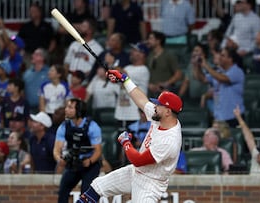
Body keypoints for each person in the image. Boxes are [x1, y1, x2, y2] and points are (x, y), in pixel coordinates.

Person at [76, 69, 183, 202]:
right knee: (97, 187)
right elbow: (142, 101)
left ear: (168, 111)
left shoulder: (170, 140)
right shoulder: (161, 116)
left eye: (158, 105)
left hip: (150, 183)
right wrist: (125, 80)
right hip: (135, 172)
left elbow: (138, 160)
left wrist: (126, 142)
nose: (154, 106)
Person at [53, 98, 102, 203]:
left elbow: (98, 151)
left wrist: (89, 161)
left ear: (79, 110)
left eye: (70, 107)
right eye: (67, 107)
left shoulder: (92, 126)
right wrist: (59, 159)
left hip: (89, 164)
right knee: (62, 192)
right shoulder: (64, 127)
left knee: (86, 194)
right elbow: (57, 149)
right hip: (73, 162)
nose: (66, 110)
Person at [193, 47, 245, 127]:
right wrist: (197, 65)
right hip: (219, 117)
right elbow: (202, 79)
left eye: (223, 55)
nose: (219, 58)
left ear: (230, 59)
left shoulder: (237, 71)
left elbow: (223, 79)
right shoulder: (218, 72)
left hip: (233, 117)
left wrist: (206, 66)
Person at [114, 42, 150, 131]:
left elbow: (125, 76)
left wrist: (113, 64)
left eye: (135, 50)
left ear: (142, 54)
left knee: (133, 144)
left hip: (135, 114)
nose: (131, 52)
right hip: (121, 113)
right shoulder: (128, 67)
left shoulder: (143, 70)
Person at [146, 31, 183, 97]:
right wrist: (149, 84)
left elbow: (178, 74)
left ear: (158, 41)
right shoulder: (149, 56)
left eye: (151, 39)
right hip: (151, 90)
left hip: (165, 90)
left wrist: (166, 84)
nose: (148, 41)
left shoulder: (168, 55)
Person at [22, 48, 49, 113]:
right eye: (33, 54)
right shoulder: (26, 73)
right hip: (28, 109)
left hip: (45, 108)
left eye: (36, 55)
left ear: (43, 58)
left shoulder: (49, 72)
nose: (32, 56)